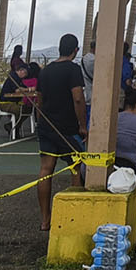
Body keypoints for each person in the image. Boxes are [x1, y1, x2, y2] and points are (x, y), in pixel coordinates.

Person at [34, 34, 90, 232]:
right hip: (67, 128)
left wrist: (40, 122)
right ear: (75, 50)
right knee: (75, 167)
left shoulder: (45, 71)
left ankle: (45, 219)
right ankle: (74, 215)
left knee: (45, 170)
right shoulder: (73, 70)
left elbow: (39, 99)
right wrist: (82, 125)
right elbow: (78, 98)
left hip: (47, 125)